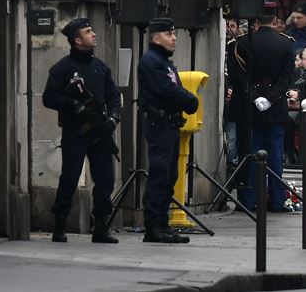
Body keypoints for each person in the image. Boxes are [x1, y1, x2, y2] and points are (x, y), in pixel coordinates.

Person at [43, 18, 122, 244]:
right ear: (77, 40)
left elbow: (114, 96)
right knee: (69, 177)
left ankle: (101, 226)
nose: (94, 34)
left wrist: (113, 118)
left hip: (100, 133)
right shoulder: (63, 68)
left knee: (105, 179)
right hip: (75, 132)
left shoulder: (101, 68)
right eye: (88, 32)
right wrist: (72, 105)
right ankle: (60, 224)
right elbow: (49, 97)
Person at [137, 18, 200, 243]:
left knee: (170, 175)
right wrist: (190, 101)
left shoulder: (165, 61)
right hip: (159, 124)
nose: (174, 38)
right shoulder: (152, 61)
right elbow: (167, 89)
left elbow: (175, 86)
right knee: (159, 175)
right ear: (155, 38)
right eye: (168, 34)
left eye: (174, 34)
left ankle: (163, 224)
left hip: (171, 124)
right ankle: (153, 227)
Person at [236, 7, 296, 213]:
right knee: (276, 156)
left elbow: (239, 78)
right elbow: (287, 78)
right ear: (275, 19)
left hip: (250, 107)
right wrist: (270, 98)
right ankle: (277, 200)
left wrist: (254, 96)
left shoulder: (241, 43)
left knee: (252, 153)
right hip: (276, 106)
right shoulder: (286, 43)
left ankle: (250, 199)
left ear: (256, 20)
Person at [223, 18, 251, 181]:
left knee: (233, 138)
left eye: (232, 26)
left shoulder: (238, 46)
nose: (228, 29)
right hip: (225, 93)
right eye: (226, 25)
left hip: (235, 96)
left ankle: (233, 165)